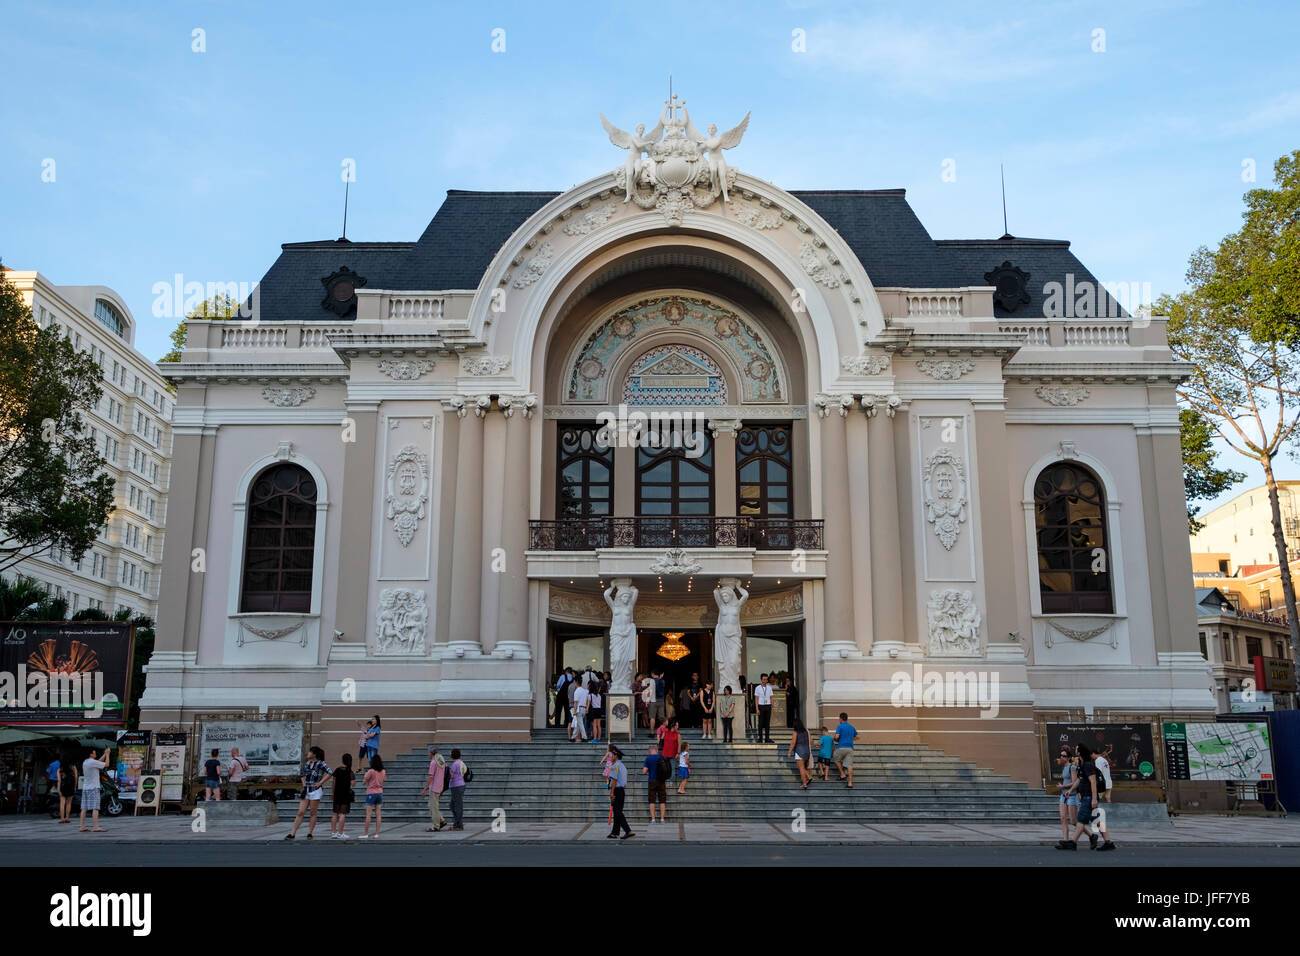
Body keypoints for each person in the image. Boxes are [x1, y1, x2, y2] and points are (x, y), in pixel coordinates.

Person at [1064, 744, 1116, 851]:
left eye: (1077, 748)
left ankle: (1073, 842)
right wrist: (1071, 790)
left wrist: (1094, 799)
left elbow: (1093, 781)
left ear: (1080, 752)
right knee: (1097, 821)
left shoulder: (1088, 765)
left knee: (1081, 820)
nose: (1075, 749)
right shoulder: (1082, 764)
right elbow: (1079, 779)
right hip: (1086, 797)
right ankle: (1108, 842)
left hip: (1088, 797)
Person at [285, 746, 332, 840]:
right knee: (300, 812)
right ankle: (292, 833)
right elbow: (302, 774)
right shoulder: (307, 763)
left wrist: (320, 782)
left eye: (310, 752)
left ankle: (310, 833)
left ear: (314, 754)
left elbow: (330, 772)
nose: (308, 754)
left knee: (312, 812)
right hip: (306, 790)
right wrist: (304, 785)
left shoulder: (320, 763)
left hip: (315, 790)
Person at [79, 746, 111, 833]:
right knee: (95, 808)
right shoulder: (92, 762)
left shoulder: (86, 762)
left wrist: (104, 754)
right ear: (91, 754)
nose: (95, 753)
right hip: (93, 788)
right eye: (94, 752)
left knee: (84, 808)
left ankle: (82, 826)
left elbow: (98, 762)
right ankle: (96, 827)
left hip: (86, 787)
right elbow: (106, 764)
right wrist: (107, 755)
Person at [1054, 746, 1079, 848]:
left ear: (1068, 758)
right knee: (1063, 818)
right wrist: (1063, 787)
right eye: (1061, 756)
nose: (1062, 757)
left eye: (1064, 756)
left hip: (1071, 795)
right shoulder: (1064, 767)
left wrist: (1063, 786)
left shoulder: (1072, 767)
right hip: (1064, 795)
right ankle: (1065, 841)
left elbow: (1074, 782)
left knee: (1073, 821)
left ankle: (1091, 835)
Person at [607, 747, 634, 839]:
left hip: (617, 790)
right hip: (622, 791)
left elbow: (614, 780)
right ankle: (615, 832)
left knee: (618, 812)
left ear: (616, 756)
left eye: (613, 755)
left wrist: (611, 793)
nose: (611, 757)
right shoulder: (623, 766)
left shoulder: (614, 766)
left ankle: (628, 831)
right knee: (617, 812)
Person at [420, 745, 448, 832]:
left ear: (431, 753)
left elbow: (431, 777)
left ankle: (436, 826)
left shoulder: (433, 762)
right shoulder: (440, 759)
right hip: (440, 785)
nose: (427, 754)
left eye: (428, 753)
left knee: (433, 807)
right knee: (432, 805)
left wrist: (425, 789)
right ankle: (442, 821)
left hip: (434, 787)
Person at [641, 742, 668, 824]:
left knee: (652, 800)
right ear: (656, 750)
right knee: (662, 800)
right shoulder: (662, 757)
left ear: (650, 751)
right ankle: (662, 819)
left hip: (652, 781)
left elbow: (644, 772)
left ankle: (653, 819)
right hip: (661, 781)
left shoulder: (648, 759)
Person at [361, 754, 386, 839]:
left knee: (368, 814)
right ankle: (377, 833)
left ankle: (366, 833)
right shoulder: (383, 771)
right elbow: (383, 780)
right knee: (378, 814)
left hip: (371, 793)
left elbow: (364, 782)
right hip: (379, 793)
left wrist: (365, 778)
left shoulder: (371, 771)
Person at [330, 753, 354, 840]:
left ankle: (333, 832)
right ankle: (340, 833)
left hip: (336, 794)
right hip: (345, 794)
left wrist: (332, 793)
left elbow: (333, 782)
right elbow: (353, 784)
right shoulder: (349, 771)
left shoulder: (337, 770)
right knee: (342, 814)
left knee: (335, 813)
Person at [832, 712, 857, 788]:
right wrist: (849, 739)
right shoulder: (852, 727)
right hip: (850, 748)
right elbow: (856, 736)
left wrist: (835, 738)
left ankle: (842, 774)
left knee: (835, 758)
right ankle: (850, 783)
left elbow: (836, 737)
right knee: (849, 766)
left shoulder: (840, 726)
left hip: (841, 747)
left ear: (841, 719)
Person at [787, 717, 813, 788]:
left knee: (801, 768)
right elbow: (811, 740)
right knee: (802, 767)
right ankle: (808, 776)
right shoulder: (806, 731)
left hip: (799, 751)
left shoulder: (796, 732)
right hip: (807, 751)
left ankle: (804, 783)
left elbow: (793, 742)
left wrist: (789, 751)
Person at [447, 749, 469, 830]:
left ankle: (458, 825)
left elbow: (451, 776)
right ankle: (457, 823)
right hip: (461, 785)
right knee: (453, 805)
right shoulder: (461, 762)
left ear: (452, 756)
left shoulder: (454, 764)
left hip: (456, 786)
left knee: (457, 806)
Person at [56, 753, 78, 824]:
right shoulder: (73, 767)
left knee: (62, 802)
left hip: (63, 786)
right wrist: (75, 786)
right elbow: (76, 777)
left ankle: (62, 818)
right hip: (71, 786)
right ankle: (67, 818)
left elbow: (59, 780)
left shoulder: (60, 769)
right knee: (69, 803)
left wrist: (58, 789)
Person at [754, 673, 774, 743]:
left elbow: (771, 697)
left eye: (766, 679)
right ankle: (760, 738)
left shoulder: (769, 687)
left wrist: (772, 704)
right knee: (760, 723)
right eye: (763, 679)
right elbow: (756, 699)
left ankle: (767, 738)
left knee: (767, 723)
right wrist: (757, 709)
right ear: (761, 679)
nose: (765, 681)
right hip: (761, 706)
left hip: (768, 706)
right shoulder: (757, 688)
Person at [571, 678, 590, 743]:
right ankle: (573, 737)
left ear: (576, 683)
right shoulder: (585, 691)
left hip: (579, 709)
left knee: (580, 724)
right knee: (579, 723)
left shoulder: (576, 691)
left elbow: (575, 702)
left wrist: (574, 711)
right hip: (584, 708)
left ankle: (584, 737)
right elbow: (588, 700)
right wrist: (587, 708)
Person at [648, 669, 667, 734]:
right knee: (662, 717)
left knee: (652, 717)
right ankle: (664, 732)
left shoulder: (652, 680)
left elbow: (651, 691)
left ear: (653, 674)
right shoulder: (663, 681)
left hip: (654, 701)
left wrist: (647, 701)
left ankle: (652, 733)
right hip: (661, 701)